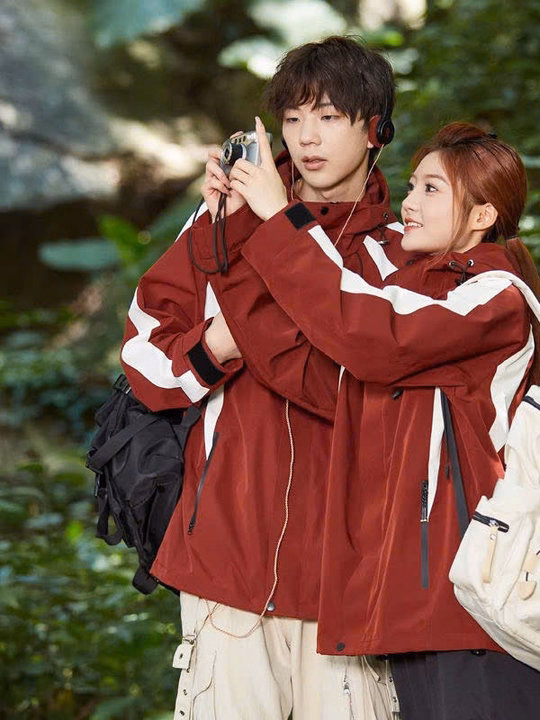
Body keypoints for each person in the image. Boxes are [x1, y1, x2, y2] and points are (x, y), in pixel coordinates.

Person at [209, 120, 540, 719]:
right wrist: (240, 225)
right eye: (412, 185)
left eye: (431, 190)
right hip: (415, 601)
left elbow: (372, 331)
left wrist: (280, 218)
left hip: (473, 599)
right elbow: (315, 368)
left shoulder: (493, 297)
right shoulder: (414, 291)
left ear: (482, 216)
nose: (410, 203)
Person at [119, 36, 404, 720]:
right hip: (225, 559)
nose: (307, 138)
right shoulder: (221, 222)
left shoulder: (396, 250)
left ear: (375, 131)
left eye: (329, 117)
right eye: (293, 118)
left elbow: (356, 380)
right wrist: (218, 341)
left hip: (348, 579)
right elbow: (146, 359)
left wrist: (276, 232)